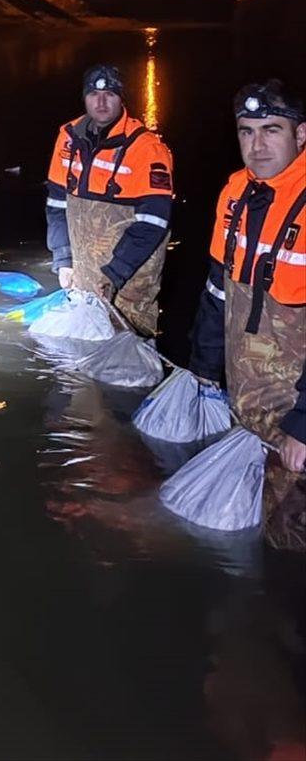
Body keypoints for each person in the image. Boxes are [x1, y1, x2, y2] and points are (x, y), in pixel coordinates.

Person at [190, 80, 305, 549]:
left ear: (301, 134)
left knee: (292, 530)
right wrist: (203, 368)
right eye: (246, 131)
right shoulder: (235, 192)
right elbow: (218, 288)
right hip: (249, 400)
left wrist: (303, 425)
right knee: (257, 523)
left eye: (271, 130)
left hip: (295, 414)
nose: (257, 146)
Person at [46, 63, 174, 336]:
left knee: (130, 341)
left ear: (121, 98)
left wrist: (114, 273)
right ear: (84, 97)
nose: (101, 102)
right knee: (83, 345)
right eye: (94, 94)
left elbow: (153, 223)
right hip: (84, 277)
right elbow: (56, 205)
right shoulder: (68, 138)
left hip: (129, 282)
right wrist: (63, 258)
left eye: (110, 94)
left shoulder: (147, 149)